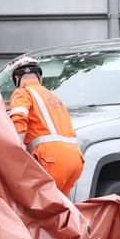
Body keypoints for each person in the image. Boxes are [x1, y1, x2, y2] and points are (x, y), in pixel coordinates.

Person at [8, 56, 84, 195]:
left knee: (39, 210)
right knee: (61, 210)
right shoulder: (53, 97)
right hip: (74, 160)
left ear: (17, 79)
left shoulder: (22, 92)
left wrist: (15, 155)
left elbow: (18, 120)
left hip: (49, 160)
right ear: (39, 78)